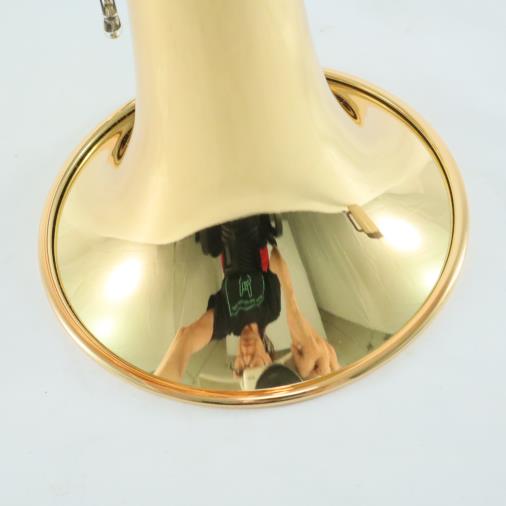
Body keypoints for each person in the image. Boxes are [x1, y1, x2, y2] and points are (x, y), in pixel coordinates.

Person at [154, 242, 340, 383]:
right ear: (268, 359)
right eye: (255, 364)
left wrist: (156, 404)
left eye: (241, 367)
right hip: (255, 222)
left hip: (223, 228)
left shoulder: (225, 322)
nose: (246, 355)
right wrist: (293, 308)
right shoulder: (271, 310)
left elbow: (185, 338)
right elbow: (275, 258)